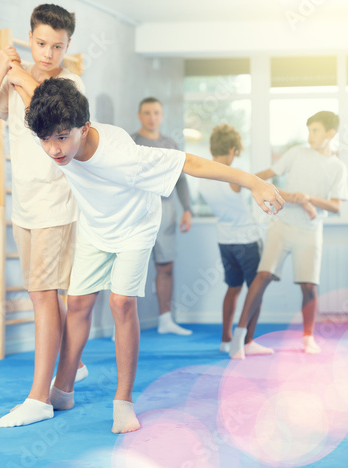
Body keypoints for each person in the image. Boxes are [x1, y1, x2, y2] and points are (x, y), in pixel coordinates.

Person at [23, 77, 284, 433]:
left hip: (135, 226)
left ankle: (124, 402)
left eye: (62, 137)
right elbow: (32, 94)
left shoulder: (124, 157)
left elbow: (190, 163)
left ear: (84, 128)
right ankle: (63, 390)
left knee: (120, 303)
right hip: (96, 226)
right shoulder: (56, 130)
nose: (54, 149)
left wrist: (253, 181)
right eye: (45, 139)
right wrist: (10, 68)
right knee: (79, 303)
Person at [0, 4, 87, 428]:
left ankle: (40, 397)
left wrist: (13, 68)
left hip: (58, 207)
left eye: (57, 46)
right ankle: (69, 367)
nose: (47, 53)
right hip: (25, 208)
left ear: (68, 47)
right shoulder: (18, 75)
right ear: (30, 38)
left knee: (45, 298)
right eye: (40, 43)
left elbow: (46, 119)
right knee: (46, 297)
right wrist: (0, 70)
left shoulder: (71, 83)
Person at [229, 111, 348, 359]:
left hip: (310, 230)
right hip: (281, 225)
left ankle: (308, 338)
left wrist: (308, 198)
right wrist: (243, 180)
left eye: (315, 131)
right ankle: (240, 338)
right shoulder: (297, 153)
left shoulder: (337, 167)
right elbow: (267, 175)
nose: (310, 136)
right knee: (262, 276)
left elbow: (336, 206)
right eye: (309, 130)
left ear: (330, 134)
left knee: (309, 286)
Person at [198, 123, 272, 355]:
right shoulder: (233, 176)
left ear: (212, 149)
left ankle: (225, 339)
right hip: (247, 242)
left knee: (233, 288)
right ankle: (247, 342)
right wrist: (275, 171)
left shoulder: (202, 177)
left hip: (225, 241)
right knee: (255, 292)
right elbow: (255, 180)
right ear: (232, 149)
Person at [132, 97, 192, 336]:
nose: (152, 117)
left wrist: (187, 209)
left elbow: (182, 179)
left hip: (165, 212)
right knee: (131, 266)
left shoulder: (170, 144)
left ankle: (165, 320)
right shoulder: (131, 142)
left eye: (156, 112)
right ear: (140, 116)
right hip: (137, 212)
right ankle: (123, 323)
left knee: (165, 266)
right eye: (147, 113)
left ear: (162, 115)